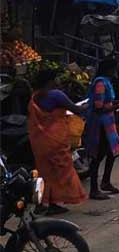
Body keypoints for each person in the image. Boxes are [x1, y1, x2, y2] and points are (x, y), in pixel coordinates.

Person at [27, 68, 88, 215]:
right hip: (55, 141)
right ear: (51, 80)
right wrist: (88, 104)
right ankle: (53, 202)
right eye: (57, 78)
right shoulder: (56, 95)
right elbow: (76, 109)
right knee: (62, 172)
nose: (59, 80)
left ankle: (43, 202)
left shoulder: (35, 96)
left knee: (45, 173)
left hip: (40, 142)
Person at [84, 56, 119, 200]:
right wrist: (118, 106)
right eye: (114, 69)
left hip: (108, 122)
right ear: (109, 70)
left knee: (113, 152)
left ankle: (106, 182)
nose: (116, 72)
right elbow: (99, 107)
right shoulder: (100, 83)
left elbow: (108, 102)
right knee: (98, 155)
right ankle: (94, 189)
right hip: (100, 124)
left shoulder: (106, 82)